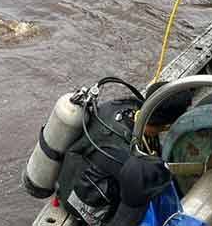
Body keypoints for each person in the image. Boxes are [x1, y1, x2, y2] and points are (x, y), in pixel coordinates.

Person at [56, 81, 191, 226]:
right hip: (85, 203)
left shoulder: (120, 105)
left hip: (69, 179)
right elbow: (126, 220)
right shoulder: (137, 166)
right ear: (168, 126)